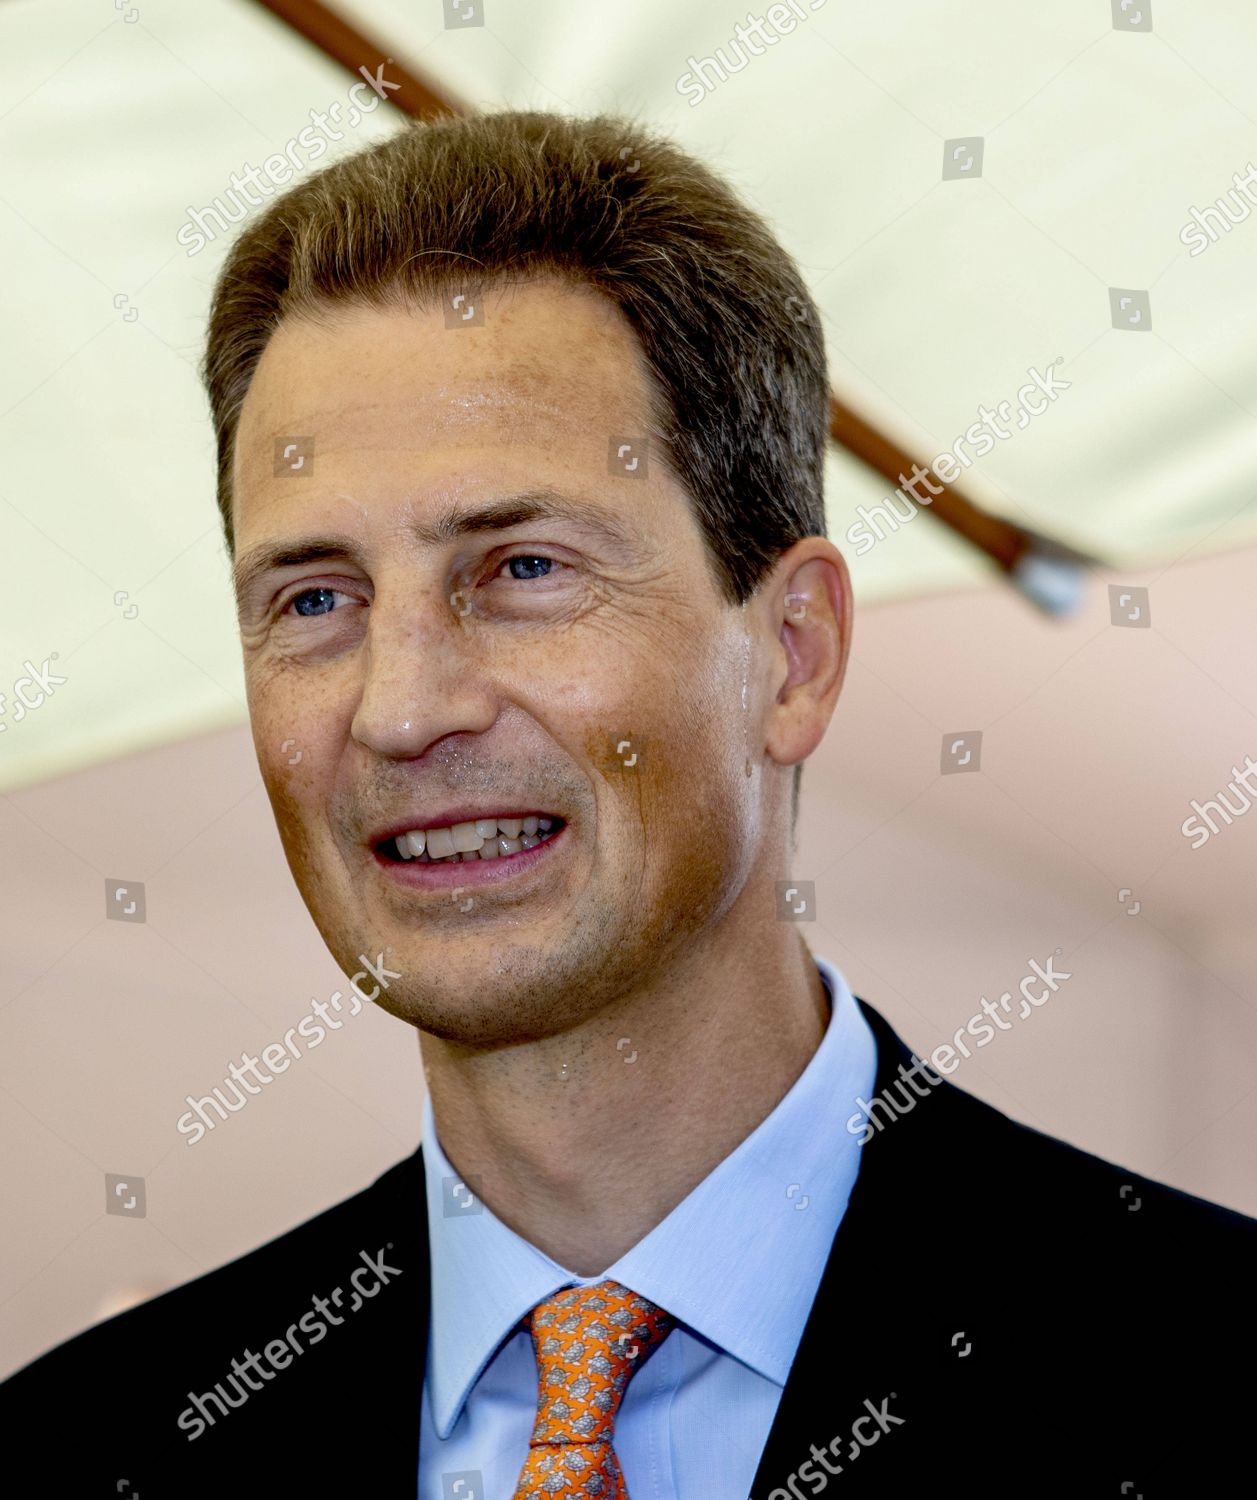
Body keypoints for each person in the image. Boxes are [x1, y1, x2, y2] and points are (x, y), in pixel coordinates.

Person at [3, 109, 1253, 1498]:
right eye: (314, 600)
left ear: (793, 655)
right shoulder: (83, 1453)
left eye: (523, 569)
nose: (402, 708)